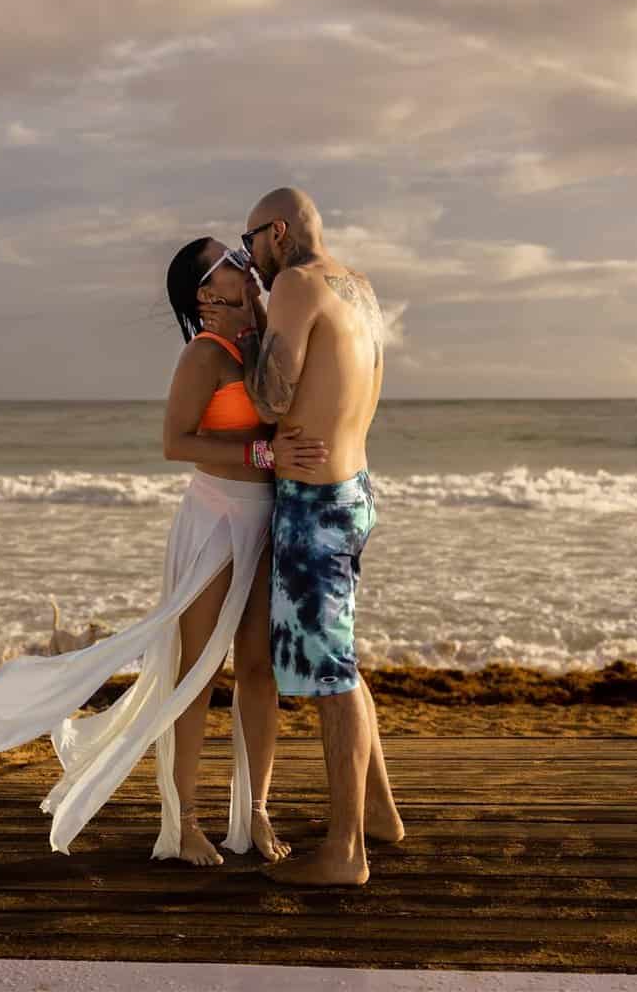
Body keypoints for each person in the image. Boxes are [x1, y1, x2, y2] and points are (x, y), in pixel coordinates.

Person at [0, 237, 326, 867]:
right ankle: (186, 821)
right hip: (216, 521)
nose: (246, 266)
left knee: (259, 672)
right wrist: (265, 455)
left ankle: (254, 814)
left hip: (269, 519)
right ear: (205, 292)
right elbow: (176, 443)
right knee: (195, 674)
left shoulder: (263, 341)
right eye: (231, 262)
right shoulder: (203, 354)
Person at [200, 187, 406, 888]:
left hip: (314, 502)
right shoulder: (359, 287)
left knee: (330, 678)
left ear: (277, 232)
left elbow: (271, 398)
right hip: (355, 489)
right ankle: (377, 811)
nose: (248, 257)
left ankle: (346, 852)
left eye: (250, 239)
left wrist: (251, 328)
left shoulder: (292, 283)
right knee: (339, 659)